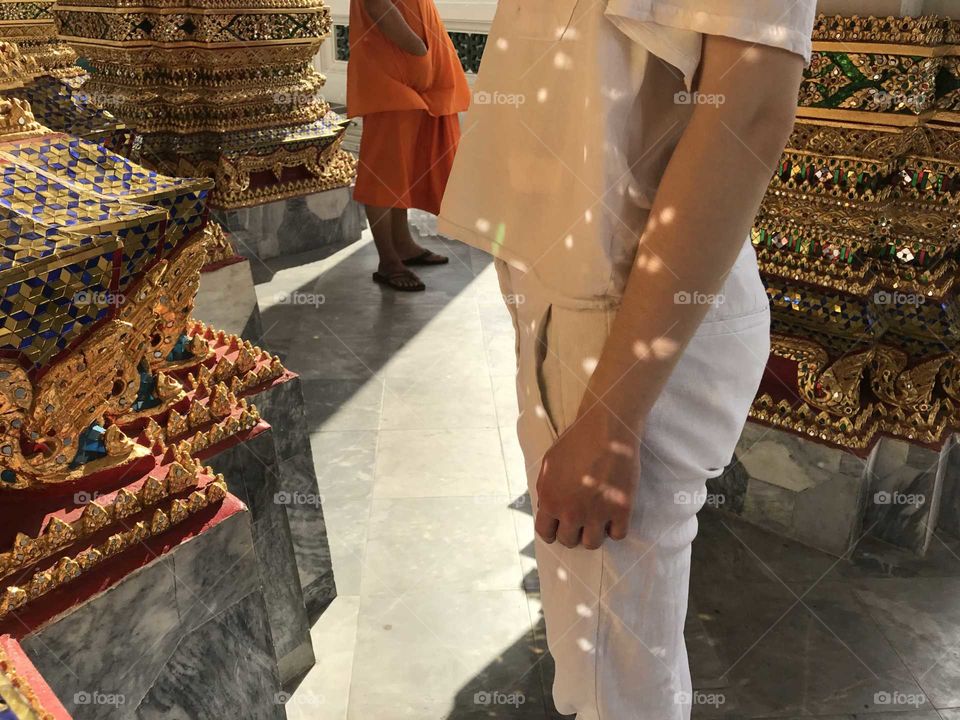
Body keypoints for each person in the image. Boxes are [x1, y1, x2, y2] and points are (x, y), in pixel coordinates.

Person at [438, 1, 816, 718]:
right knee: (592, 652)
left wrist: (613, 417)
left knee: (621, 678)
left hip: (626, 321)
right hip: (578, 297)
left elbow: (751, 111)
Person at [346, 0, 470, 291]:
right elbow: (376, 4)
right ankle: (388, 261)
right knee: (384, 168)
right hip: (391, 68)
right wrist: (418, 48)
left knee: (401, 164)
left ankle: (403, 244)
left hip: (410, 67)